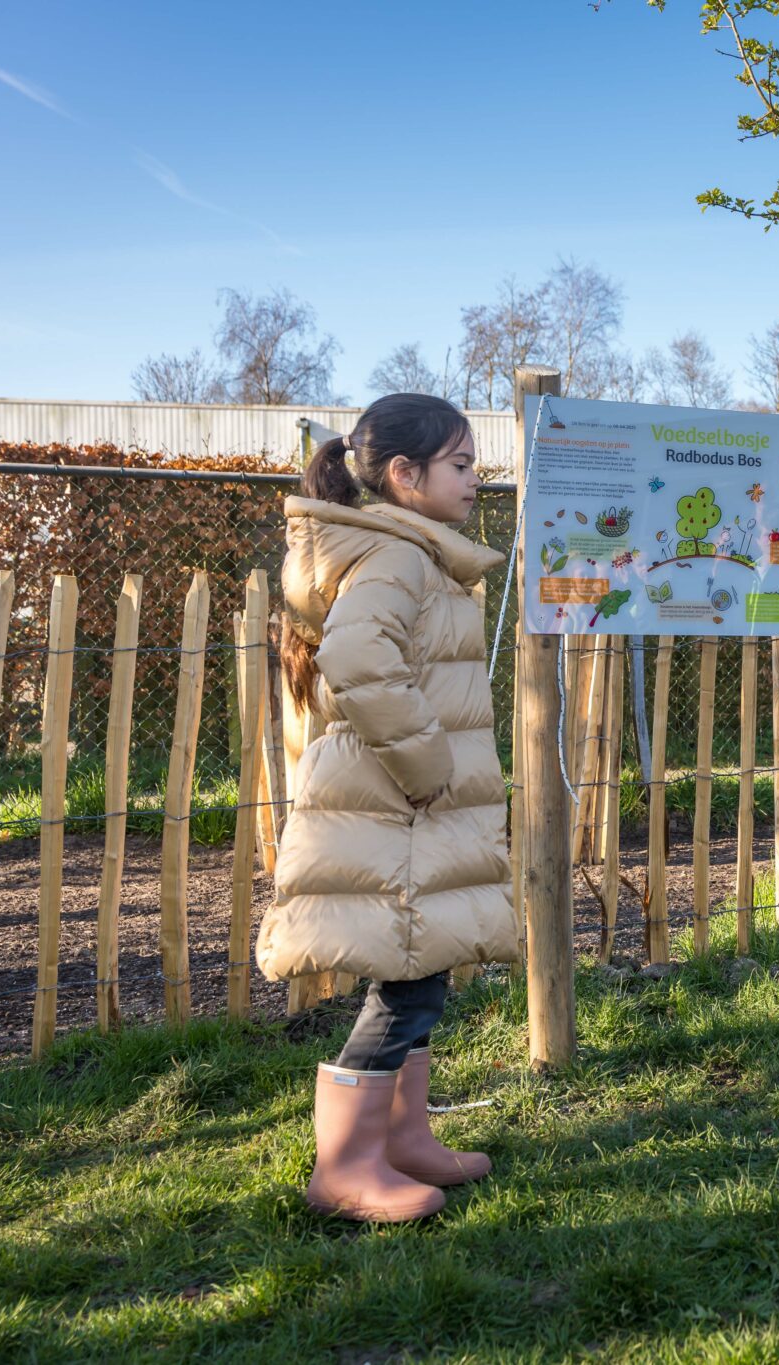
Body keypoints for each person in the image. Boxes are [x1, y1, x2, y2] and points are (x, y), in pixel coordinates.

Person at [260, 392, 521, 1223]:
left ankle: (402, 1139)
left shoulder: (413, 551)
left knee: (423, 972)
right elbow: (358, 655)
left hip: (410, 808)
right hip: (396, 805)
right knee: (403, 989)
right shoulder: (397, 558)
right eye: (462, 462)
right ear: (405, 475)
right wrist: (427, 757)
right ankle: (342, 1168)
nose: (477, 477)